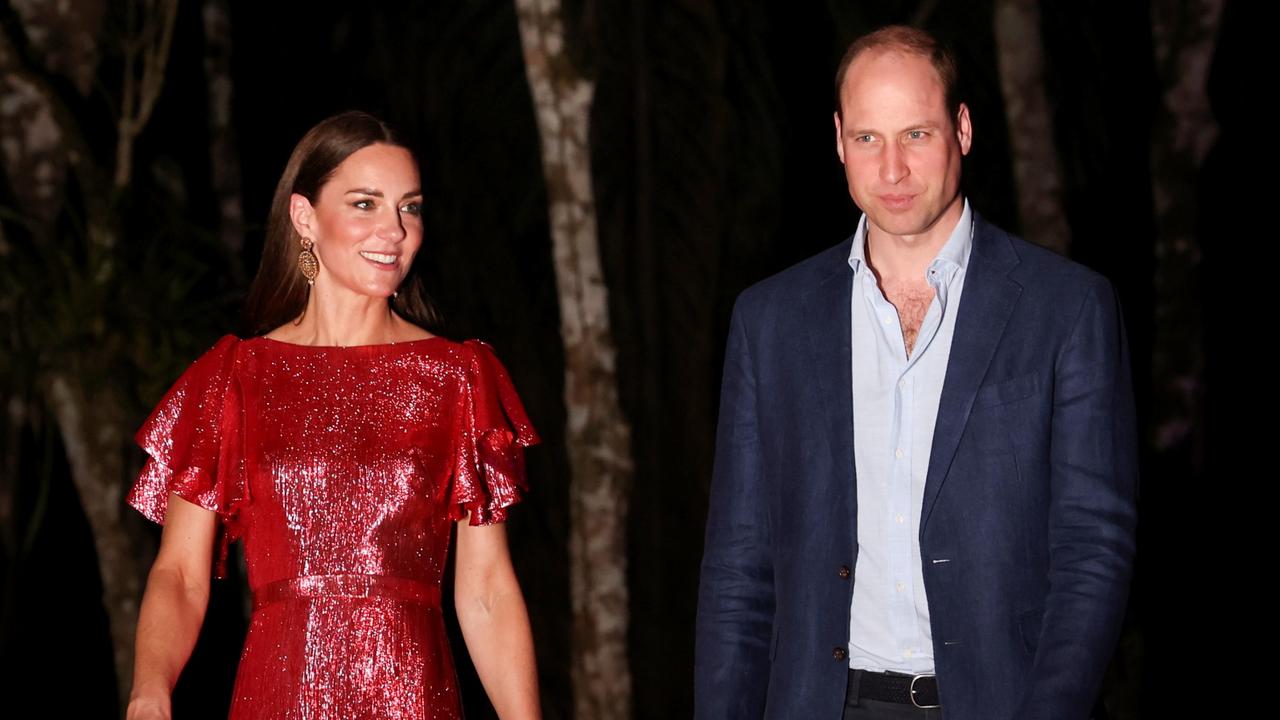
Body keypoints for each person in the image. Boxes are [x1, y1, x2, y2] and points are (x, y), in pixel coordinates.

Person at [694, 26, 1138, 720]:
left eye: (917, 135)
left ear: (961, 129)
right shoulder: (770, 321)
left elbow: (1093, 548)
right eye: (869, 138)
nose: (892, 169)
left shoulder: (1067, 307)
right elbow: (738, 567)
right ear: (839, 139)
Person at [125, 111, 541, 720]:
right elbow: (182, 575)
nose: (394, 231)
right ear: (304, 217)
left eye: (410, 207)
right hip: (280, 693)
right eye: (366, 204)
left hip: (415, 697)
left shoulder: (458, 377)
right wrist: (149, 690)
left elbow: (486, 593)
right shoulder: (233, 377)